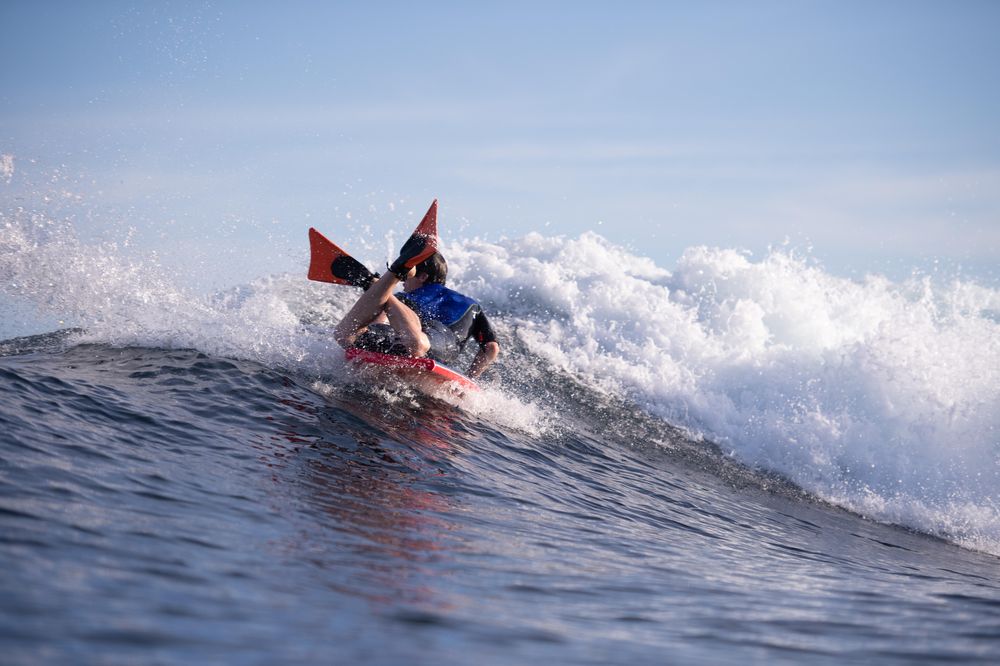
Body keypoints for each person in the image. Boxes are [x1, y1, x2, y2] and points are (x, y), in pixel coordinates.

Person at [332, 237, 500, 379]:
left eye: (407, 276)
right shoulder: (472, 305)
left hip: (416, 338)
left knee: (345, 336)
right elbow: (491, 348)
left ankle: (376, 283)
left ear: (423, 276)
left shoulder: (402, 299)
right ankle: (383, 281)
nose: (404, 282)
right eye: (403, 276)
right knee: (416, 346)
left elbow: (377, 324)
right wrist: (469, 378)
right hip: (427, 344)